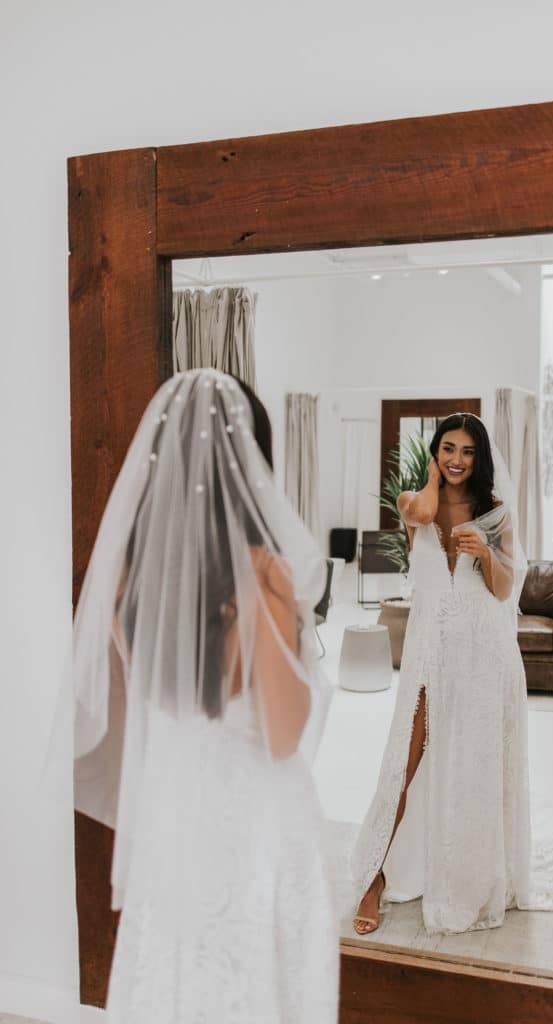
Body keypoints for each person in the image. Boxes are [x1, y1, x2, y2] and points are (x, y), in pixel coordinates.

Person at [72, 368, 339, 1023]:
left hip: (170, 812)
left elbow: (149, 698)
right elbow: (283, 730)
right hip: (254, 819)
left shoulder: (130, 579)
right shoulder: (262, 572)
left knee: (177, 975)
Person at [351, 412, 553, 936]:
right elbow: (424, 509)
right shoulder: (415, 503)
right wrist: (432, 477)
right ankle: (374, 879)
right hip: (431, 654)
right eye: (447, 449)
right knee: (404, 763)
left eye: (467, 451)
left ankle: (469, 875)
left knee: (475, 765)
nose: (457, 459)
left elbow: (503, 590)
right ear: (435, 453)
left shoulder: (496, 512)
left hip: (483, 655)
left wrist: (485, 556)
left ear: (481, 458)